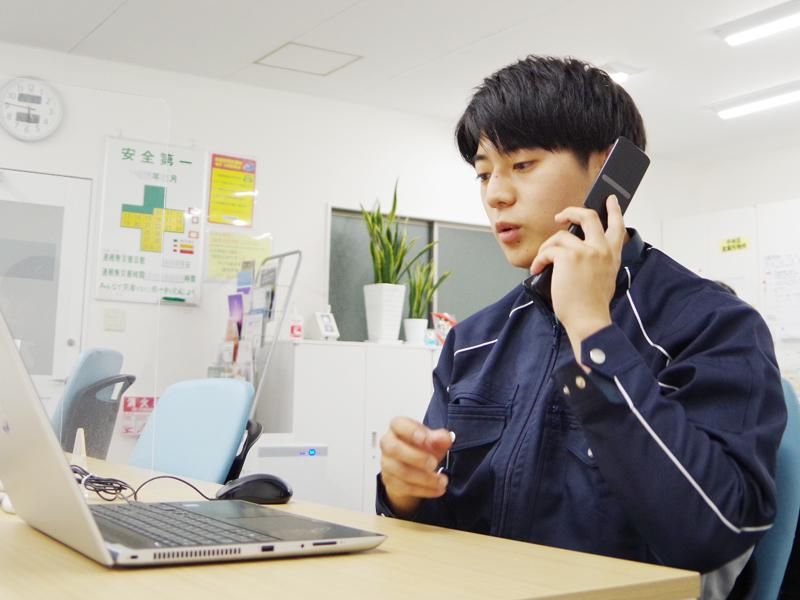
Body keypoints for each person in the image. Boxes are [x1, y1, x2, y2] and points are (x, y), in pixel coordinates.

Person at [376, 55, 787, 599]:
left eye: (523, 164)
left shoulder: (712, 323)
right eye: (484, 173)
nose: (495, 194)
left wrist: (593, 331)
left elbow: (713, 532)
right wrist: (405, 493)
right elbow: (450, 531)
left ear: (608, 170)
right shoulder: (475, 340)